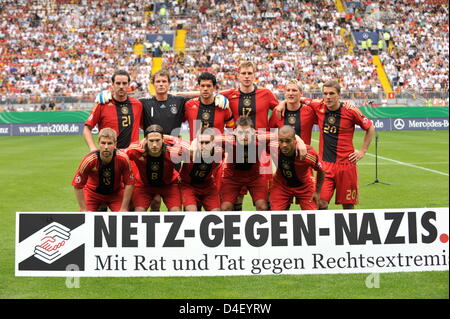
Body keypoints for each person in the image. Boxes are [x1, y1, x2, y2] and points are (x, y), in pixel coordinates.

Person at [304, 80, 375, 210]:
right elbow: (300, 98)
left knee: (348, 205)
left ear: (339, 95)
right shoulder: (318, 106)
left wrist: (363, 151)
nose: (328, 97)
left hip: (346, 166)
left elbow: (370, 127)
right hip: (325, 166)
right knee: (320, 203)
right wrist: (283, 103)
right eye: (325, 93)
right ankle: (325, 230)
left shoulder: (351, 110)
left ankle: (350, 230)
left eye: (332, 93)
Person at [72, 128, 134, 212]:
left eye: (109, 143)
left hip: (115, 194)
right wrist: (83, 209)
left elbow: (129, 183)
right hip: (92, 194)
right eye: (103, 143)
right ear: (98, 143)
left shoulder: (123, 158)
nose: (106, 147)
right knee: (87, 219)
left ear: (115, 144)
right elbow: (77, 185)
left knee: (123, 217)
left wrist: (123, 208)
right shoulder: (89, 160)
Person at [126, 124, 182, 212]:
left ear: (163, 140)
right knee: (138, 212)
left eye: (158, 140)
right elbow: (119, 155)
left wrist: (169, 137)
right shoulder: (136, 150)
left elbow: (188, 146)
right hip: (145, 186)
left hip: (169, 185)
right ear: (145, 140)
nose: (155, 144)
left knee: (176, 212)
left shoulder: (172, 151)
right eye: (151, 141)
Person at [220, 116, 270, 211]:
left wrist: (298, 140)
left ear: (253, 132)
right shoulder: (228, 140)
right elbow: (209, 137)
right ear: (234, 132)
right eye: (240, 132)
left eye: (247, 132)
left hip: (255, 177)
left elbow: (283, 134)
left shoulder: (260, 138)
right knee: (225, 208)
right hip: (232, 178)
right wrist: (194, 142)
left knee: (262, 206)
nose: (244, 136)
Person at [84, 70, 143, 151]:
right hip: (110, 155)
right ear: (112, 84)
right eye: (118, 83)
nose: (121, 86)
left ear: (129, 85)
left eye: (124, 83)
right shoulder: (102, 104)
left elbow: (145, 126)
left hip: (132, 155)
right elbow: (87, 128)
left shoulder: (137, 104)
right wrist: (92, 148)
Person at [270, 125, 325, 211]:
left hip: (304, 186)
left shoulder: (308, 154)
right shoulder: (272, 146)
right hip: (281, 185)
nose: (284, 145)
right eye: (281, 141)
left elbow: (321, 170)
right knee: (276, 215)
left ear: (294, 141)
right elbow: (254, 134)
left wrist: (317, 192)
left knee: (312, 216)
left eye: (288, 141)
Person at [180, 128, 224, 211]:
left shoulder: (218, 153)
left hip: (207, 186)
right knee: (191, 211)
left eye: (207, 143)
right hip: (188, 186)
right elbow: (176, 142)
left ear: (213, 143)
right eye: (201, 143)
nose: (204, 146)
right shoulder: (187, 149)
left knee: (216, 214)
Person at [269, 79, 316, 145]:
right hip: (282, 154)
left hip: (304, 154)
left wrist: (304, 100)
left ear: (301, 93)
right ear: (285, 93)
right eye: (288, 90)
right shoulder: (277, 111)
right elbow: (270, 133)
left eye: (294, 90)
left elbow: (323, 104)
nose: (290, 93)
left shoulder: (309, 111)